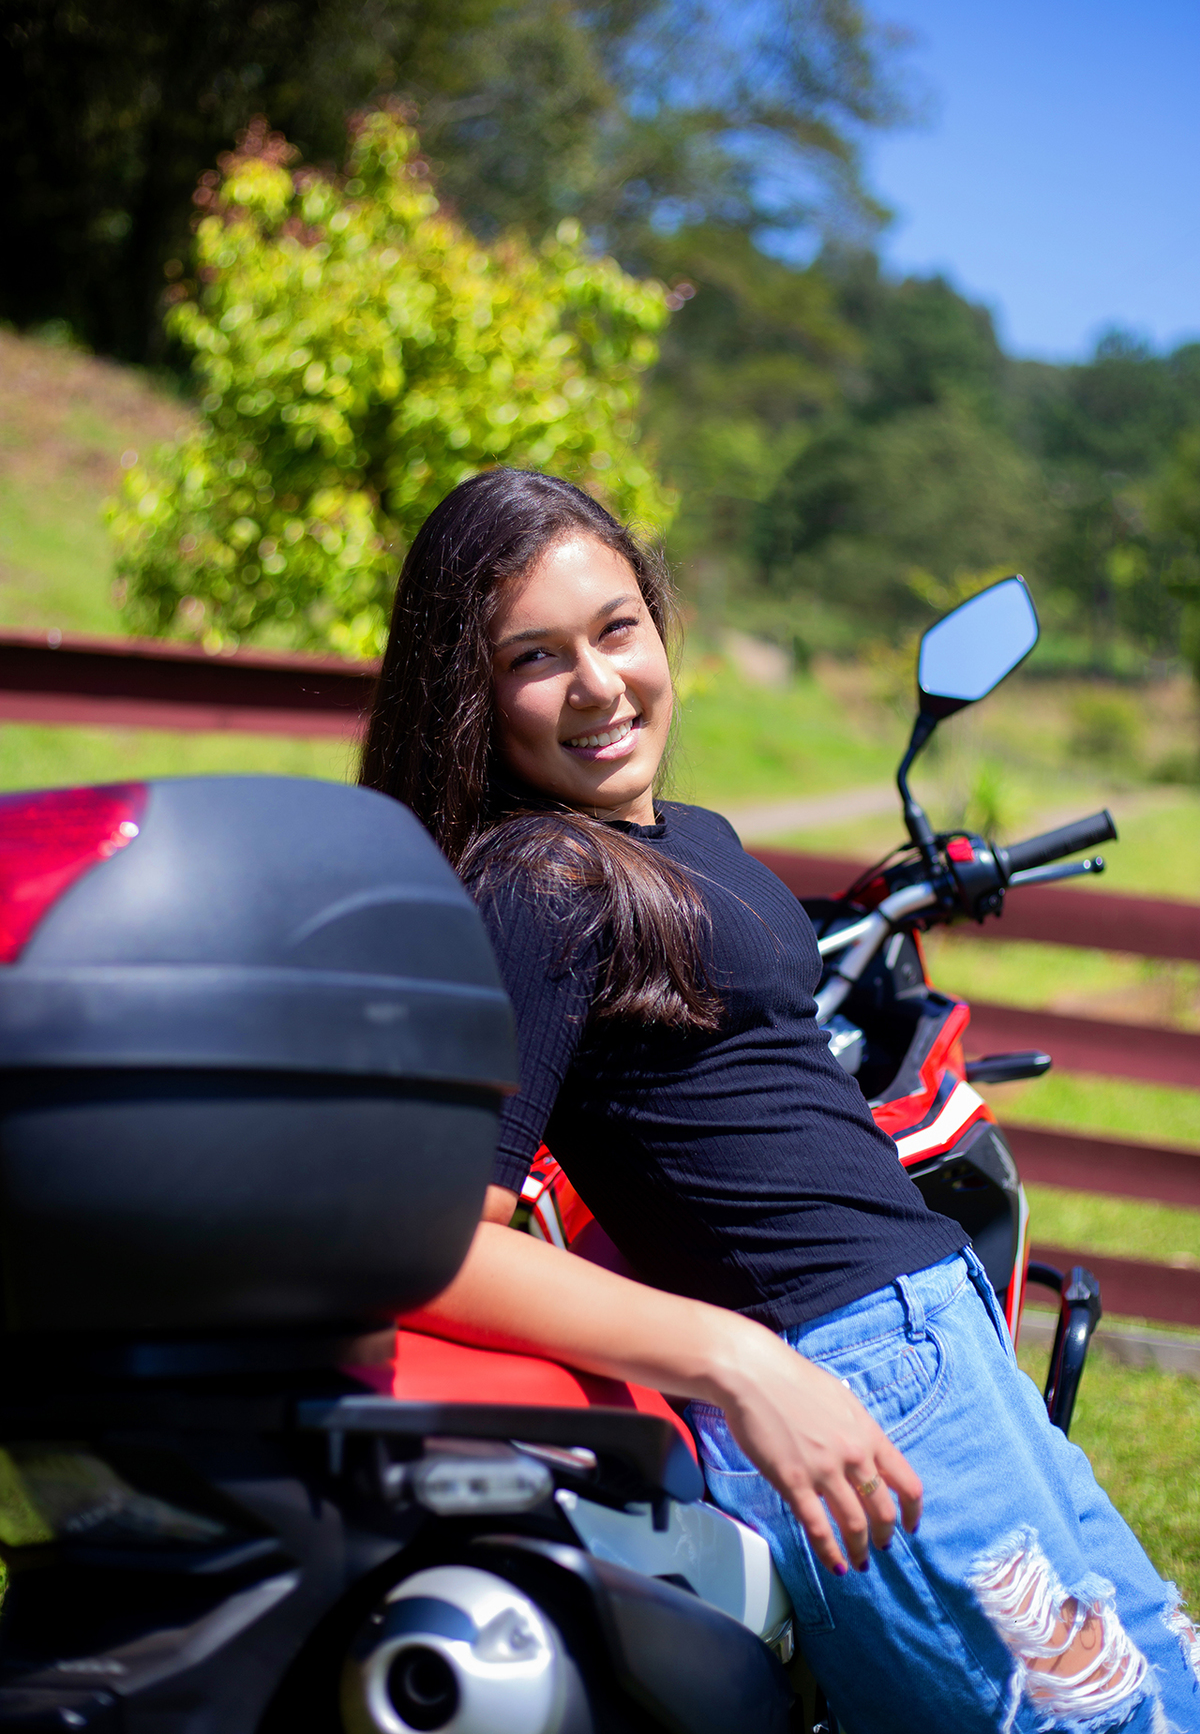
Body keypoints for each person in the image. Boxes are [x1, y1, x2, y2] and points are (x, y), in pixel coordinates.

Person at [360, 467, 1199, 1734]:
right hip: (842, 1363)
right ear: (470, 694)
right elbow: (439, 1243)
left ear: (659, 625)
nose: (597, 684)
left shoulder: (687, 840)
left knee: (1162, 1692)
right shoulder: (538, 881)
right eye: (535, 657)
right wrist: (740, 1361)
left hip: (935, 1339)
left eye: (616, 629)